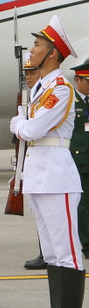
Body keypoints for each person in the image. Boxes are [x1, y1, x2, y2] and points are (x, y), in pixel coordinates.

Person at [11, 15, 84, 308]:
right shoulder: (40, 89)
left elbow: (31, 130)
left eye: (38, 45)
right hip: (39, 176)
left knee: (67, 251)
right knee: (52, 253)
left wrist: (18, 123)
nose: (32, 50)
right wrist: (23, 123)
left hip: (57, 175)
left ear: (53, 53)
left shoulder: (60, 88)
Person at [20, 52, 47, 270]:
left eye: (32, 72)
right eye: (26, 73)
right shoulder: (33, 95)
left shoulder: (49, 93)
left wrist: (19, 125)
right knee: (39, 213)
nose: (28, 77)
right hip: (34, 161)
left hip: (53, 162)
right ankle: (44, 252)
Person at [69, 57, 89, 257]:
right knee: (82, 206)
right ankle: (86, 244)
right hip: (78, 162)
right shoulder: (70, 102)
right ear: (78, 80)